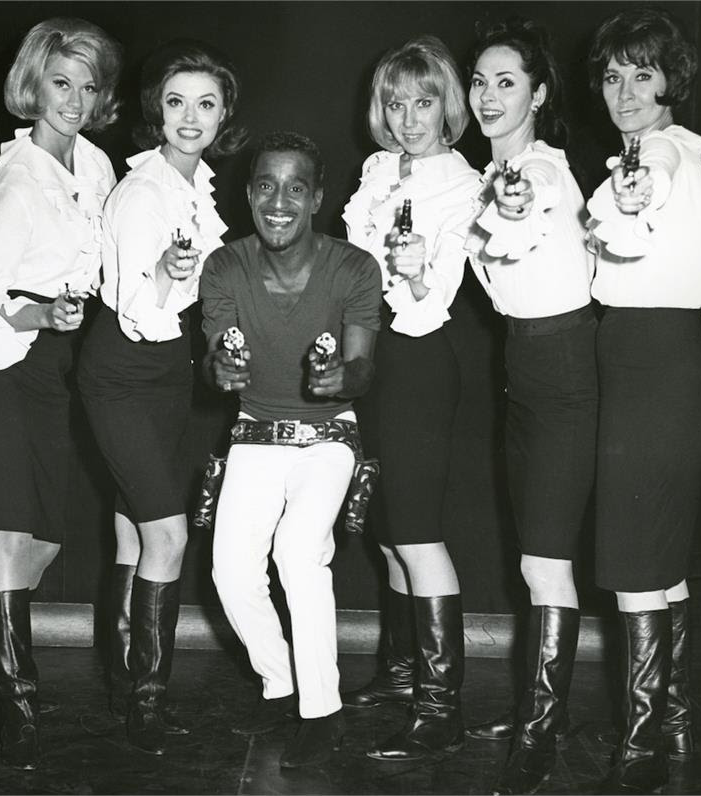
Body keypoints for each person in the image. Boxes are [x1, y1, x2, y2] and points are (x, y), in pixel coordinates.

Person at [0, 17, 121, 769]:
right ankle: (15, 701)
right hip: (0, 358)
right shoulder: (18, 178)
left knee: (45, 536)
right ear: (33, 85)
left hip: (58, 361)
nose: (74, 99)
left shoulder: (98, 164)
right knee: (11, 532)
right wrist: (43, 311)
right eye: (60, 83)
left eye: (87, 85)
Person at [77, 39, 245, 755]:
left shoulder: (194, 187)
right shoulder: (143, 190)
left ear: (223, 115)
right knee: (167, 534)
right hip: (122, 367)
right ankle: (147, 699)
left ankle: (123, 681)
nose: (190, 116)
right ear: (157, 110)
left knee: (132, 530)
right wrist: (170, 273)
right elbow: (139, 305)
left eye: (205, 104)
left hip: (166, 374)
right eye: (176, 101)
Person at [201, 131, 381, 769]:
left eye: (295, 188)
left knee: (299, 553)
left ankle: (322, 710)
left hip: (328, 438)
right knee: (230, 573)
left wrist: (345, 380)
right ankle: (282, 682)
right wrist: (221, 367)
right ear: (249, 195)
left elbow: (361, 367)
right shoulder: (225, 265)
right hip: (253, 433)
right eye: (267, 187)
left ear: (317, 199)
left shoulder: (355, 267)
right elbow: (219, 356)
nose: (280, 201)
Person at [460, 18, 598, 794]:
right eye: (478, 81)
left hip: (564, 366)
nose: (487, 95)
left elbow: (519, 218)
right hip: (527, 367)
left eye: (506, 81)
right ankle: (538, 712)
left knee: (545, 563)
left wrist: (506, 212)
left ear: (539, 94)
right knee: (534, 560)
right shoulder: (497, 172)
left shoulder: (537, 173)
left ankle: (542, 734)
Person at [585, 8, 701, 793]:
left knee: (635, 549)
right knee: (658, 553)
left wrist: (630, 193)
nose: (626, 91)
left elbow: (643, 190)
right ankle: (673, 720)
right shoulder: (660, 150)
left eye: (643, 73)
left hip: (653, 359)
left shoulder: (658, 153)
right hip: (657, 357)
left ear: (671, 80)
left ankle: (637, 752)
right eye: (611, 75)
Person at [340, 36, 480, 761]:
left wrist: (419, 274)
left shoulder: (461, 184)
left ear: (447, 106)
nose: (408, 118)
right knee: (390, 527)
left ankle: (440, 707)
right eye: (396, 103)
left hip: (421, 353)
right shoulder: (377, 169)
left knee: (419, 530)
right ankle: (400, 672)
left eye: (424, 102)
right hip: (375, 358)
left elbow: (433, 303)